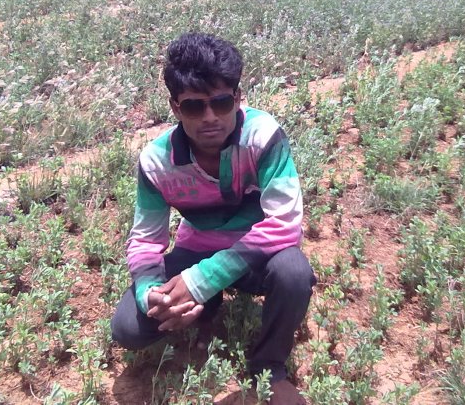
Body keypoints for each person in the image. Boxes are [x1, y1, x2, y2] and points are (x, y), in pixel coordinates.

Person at [111, 32, 315, 404]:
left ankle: (268, 368)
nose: (210, 118)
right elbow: (145, 240)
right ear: (175, 108)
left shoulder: (262, 136)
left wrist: (202, 280)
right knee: (128, 327)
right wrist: (150, 293)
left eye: (222, 103)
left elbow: (284, 224)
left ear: (238, 98)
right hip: (198, 248)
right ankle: (208, 305)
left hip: (256, 255)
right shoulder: (157, 162)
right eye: (193, 107)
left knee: (294, 272)